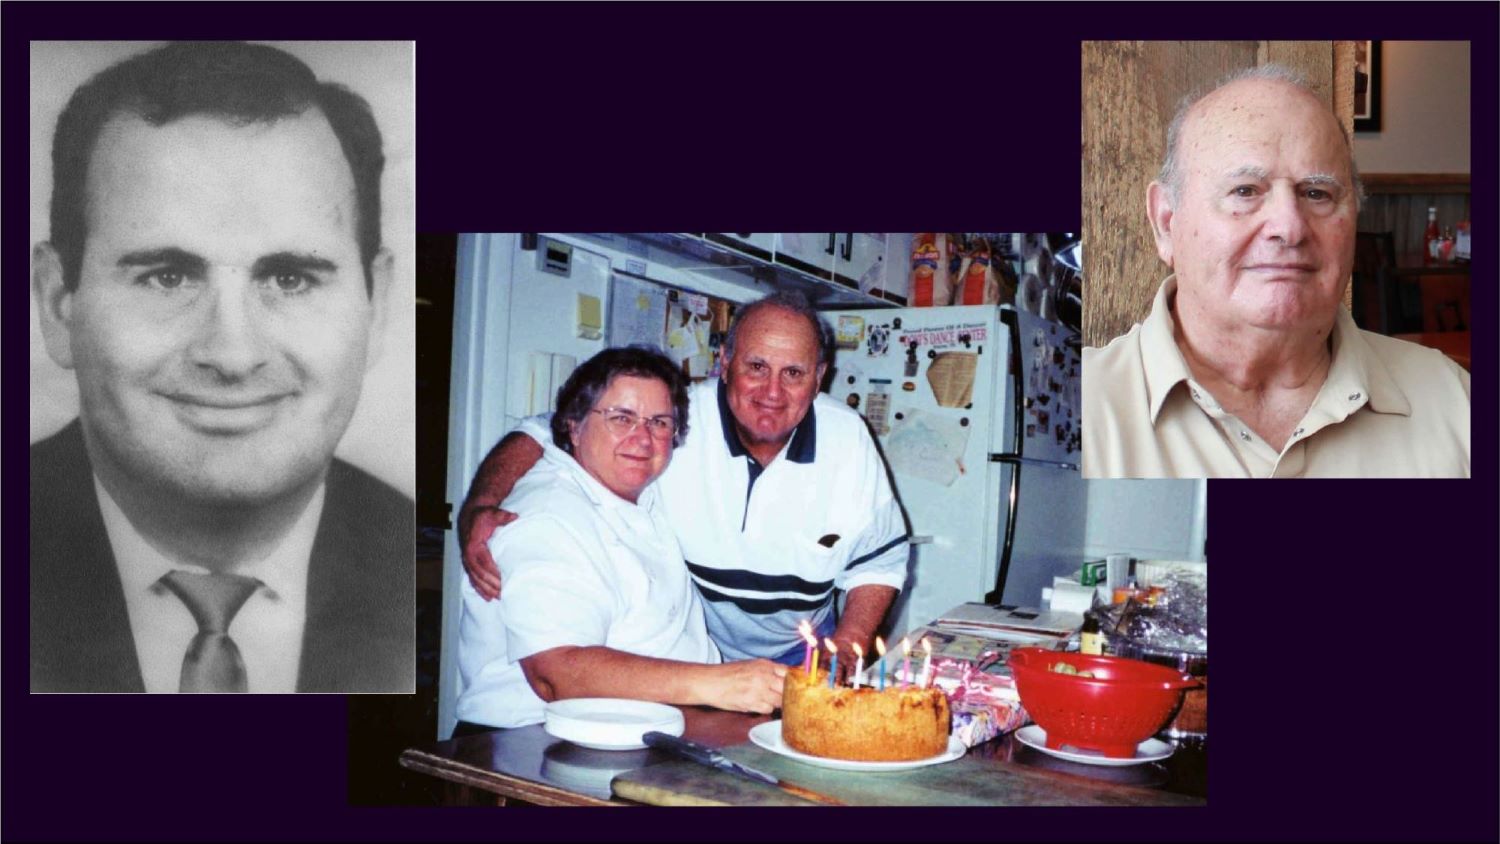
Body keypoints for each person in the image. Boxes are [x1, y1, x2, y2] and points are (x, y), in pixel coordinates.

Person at [29, 41, 413, 693]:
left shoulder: (425, 569)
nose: (233, 355)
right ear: (58, 304)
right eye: (166, 276)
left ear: (375, 307)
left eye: (290, 278)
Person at [459, 291, 909, 676]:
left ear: (819, 377)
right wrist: (480, 505)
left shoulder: (848, 438)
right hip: (697, 659)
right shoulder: (674, 418)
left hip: (802, 653)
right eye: (756, 366)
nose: (772, 392)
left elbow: (879, 561)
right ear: (725, 363)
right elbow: (543, 430)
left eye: (793, 372)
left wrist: (848, 646)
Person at [1082, 65, 1470, 479]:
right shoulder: (1078, 411)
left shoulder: (1455, 402)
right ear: (1165, 221)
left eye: (1317, 193)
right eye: (1244, 191)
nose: (1289, 227)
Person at [455, 347, 788, 732]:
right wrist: (718, 683)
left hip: (651, 725)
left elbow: (537, 425)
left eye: (659, 422)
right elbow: (555, 674)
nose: (643, 438)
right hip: (530, 744)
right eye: (621, 418)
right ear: (573, 426)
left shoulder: (639, 485)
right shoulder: (546, 518)